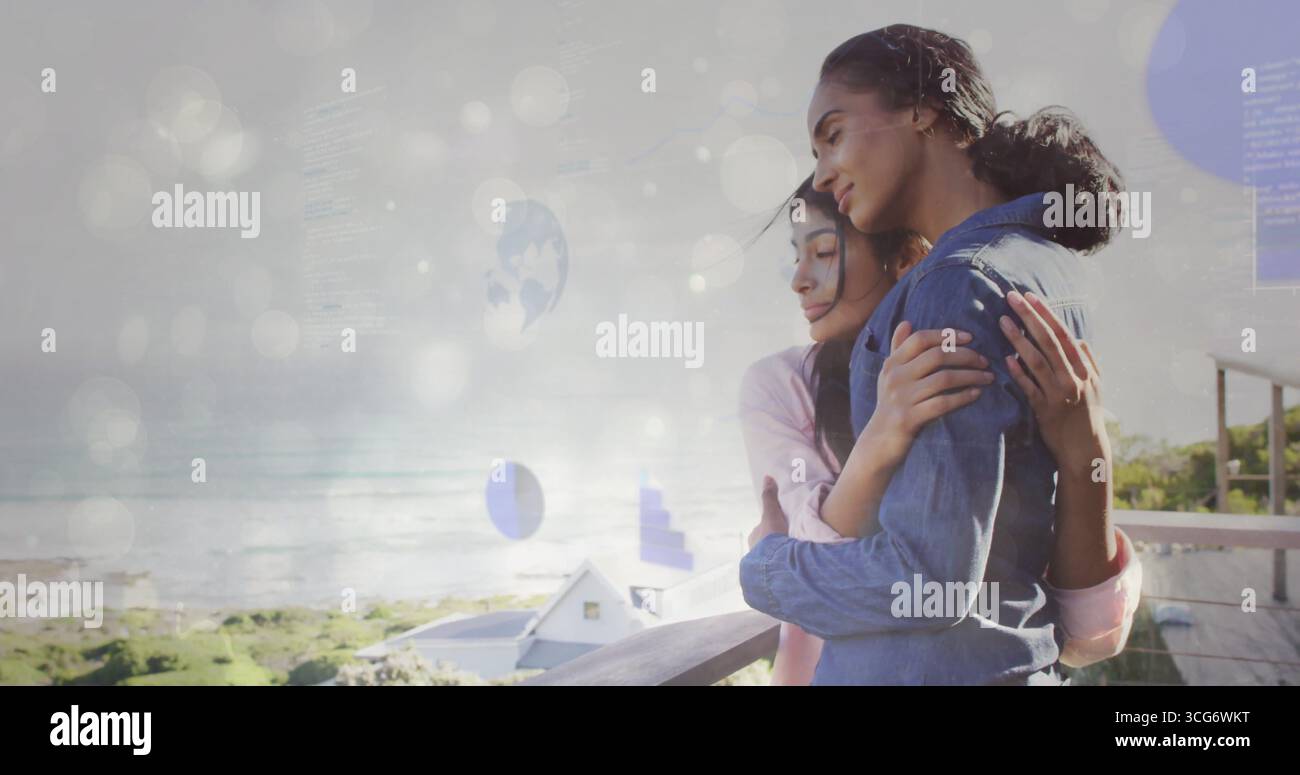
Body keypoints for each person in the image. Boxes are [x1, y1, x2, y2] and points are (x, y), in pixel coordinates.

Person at [740, 24, 1132, 684]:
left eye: (833, 134)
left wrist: (765, 567)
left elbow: (929, 577)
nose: (821, 171)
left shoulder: (957, 286)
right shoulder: (1045, 263)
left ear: (922, 107)